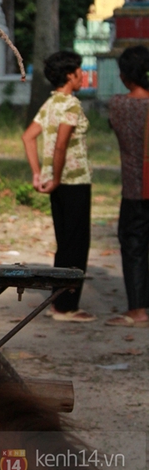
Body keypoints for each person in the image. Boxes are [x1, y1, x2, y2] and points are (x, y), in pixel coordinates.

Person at [22, 50, 95, 323]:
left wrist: (38, 174)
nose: (82, 76)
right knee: (77, 243)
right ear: (69, 75)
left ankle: (59, 302)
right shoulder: (72, 106)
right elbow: (62, 144)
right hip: (73, 181)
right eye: (79, 71)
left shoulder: (51, 104)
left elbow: (28, 137)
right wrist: (58, 176)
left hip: (55, 181)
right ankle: (67, 307)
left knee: (64, 242)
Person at [106, 46, 149, 327]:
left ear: (124, 76)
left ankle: (137, 309)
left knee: (133, 245)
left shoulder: (119, 105)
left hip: (135, 187)